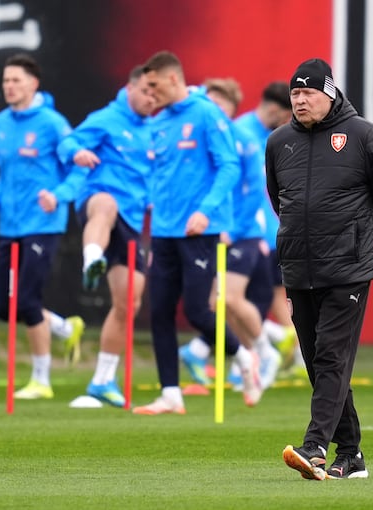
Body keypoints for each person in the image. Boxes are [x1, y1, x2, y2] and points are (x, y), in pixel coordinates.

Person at [268, 58, 373, 480]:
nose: (300, 100)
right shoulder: (278, 142)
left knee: (331, 357)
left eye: (308, 92)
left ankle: (314, 449)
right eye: (295, 93)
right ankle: (352, 454)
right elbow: (280, 199)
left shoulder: (365, 136)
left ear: (329, 94)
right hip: (298, 267)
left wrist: (365, 247)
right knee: (317, 362)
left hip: (348, 269)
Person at [131, 51, 254, 415]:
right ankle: (171, 393)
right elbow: (160, 176)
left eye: (153, 85)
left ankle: (245, 356)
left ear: (173, 79)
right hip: (165, 232)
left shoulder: (205, 112)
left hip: (200, 230)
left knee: (199, 312)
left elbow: (229, 166)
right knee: (159, 312)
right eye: (144, 86)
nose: (148, 93)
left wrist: (206, 210)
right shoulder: (158, 122)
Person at [0, 53, 87, 399]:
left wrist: (59, 195)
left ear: (33, 84)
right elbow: (6, 175)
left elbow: (78, 169)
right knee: (3, 307)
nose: (9, 86)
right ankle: (65, 328)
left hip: (43, 224)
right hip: (9, 225)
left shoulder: (52, 123)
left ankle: (42, 380)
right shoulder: (0, 123)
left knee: (26, 300)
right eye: (6, 80)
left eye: (16, 80)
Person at [56, 66, 156, 407]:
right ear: (129, 88)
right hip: (98, 198)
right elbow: (69, 141)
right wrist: (76, 153)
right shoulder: (107, 118)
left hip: (132, 219)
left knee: (129, 302)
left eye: (156, 93)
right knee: (106, 205)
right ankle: (92, 259)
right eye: (145, 91)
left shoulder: (155, 130)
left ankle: (102, 379)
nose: (151, 98)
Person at [178, 77, 276, 395]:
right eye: (212, 103)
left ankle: (264, 351)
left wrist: (231, 230)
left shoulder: (243, 139)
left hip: (241, 233)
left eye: (222, 105)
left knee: (228, 298)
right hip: (217, 231)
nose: (215, 110)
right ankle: (236, 357)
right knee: (215, 302)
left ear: (232, 110)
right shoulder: (203, 138)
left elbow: (251, 194)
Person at [234, 82, 303, 377]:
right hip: (250, 232)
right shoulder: (241, 133)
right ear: (275, 109)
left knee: (269, 297)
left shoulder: (275, 137)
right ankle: (272, 349)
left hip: (271, 233)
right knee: (239, 299)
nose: (288, 122)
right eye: (287, 115)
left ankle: (284, 354)